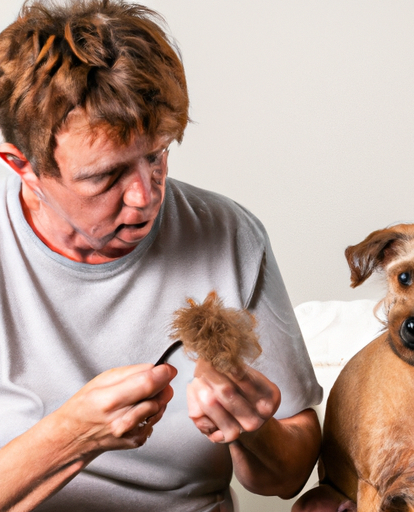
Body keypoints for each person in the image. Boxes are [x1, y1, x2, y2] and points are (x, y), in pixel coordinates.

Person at [0, 1, 323, 511]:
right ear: (24, 167)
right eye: (104, 176)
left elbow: (289, 477)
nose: (145, 196)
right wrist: (73, 434)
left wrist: (251, 429)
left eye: (156, 155)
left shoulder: (228, 234)